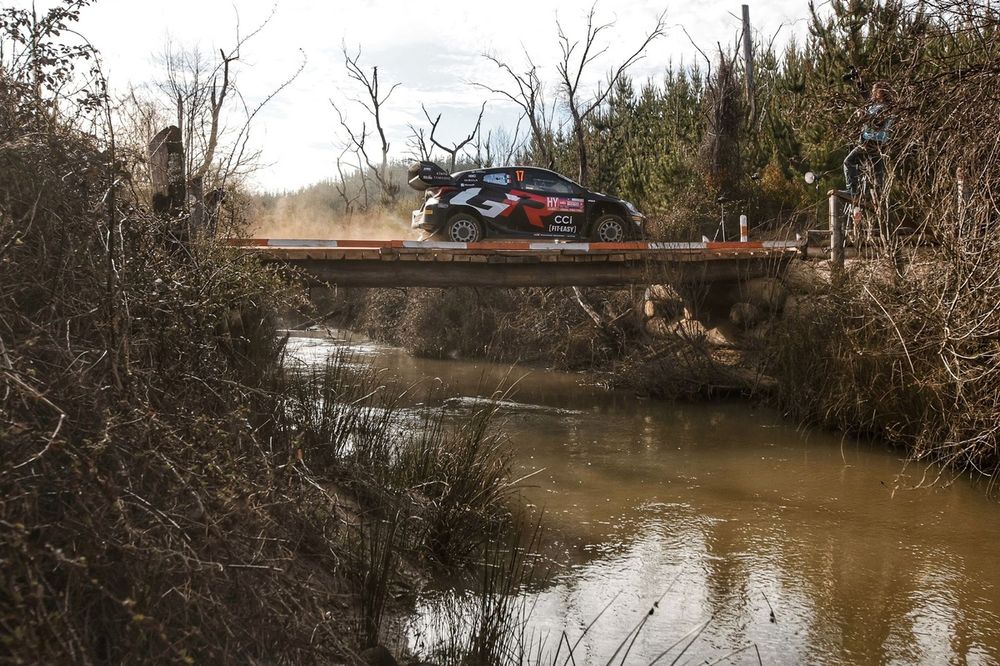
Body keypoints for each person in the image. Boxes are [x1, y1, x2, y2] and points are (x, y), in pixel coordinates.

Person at [843, 82, 894, 200]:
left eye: (875, 91)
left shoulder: (884, 108)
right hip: (875, 142)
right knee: (876, 172)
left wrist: (864, 116)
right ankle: (877, 199)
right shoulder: (880, 106)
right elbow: (866, 97)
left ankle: (853, 190)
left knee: (849, 162)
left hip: (872, 141)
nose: (873, 94)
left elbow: (877, 124)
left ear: (880, 93)